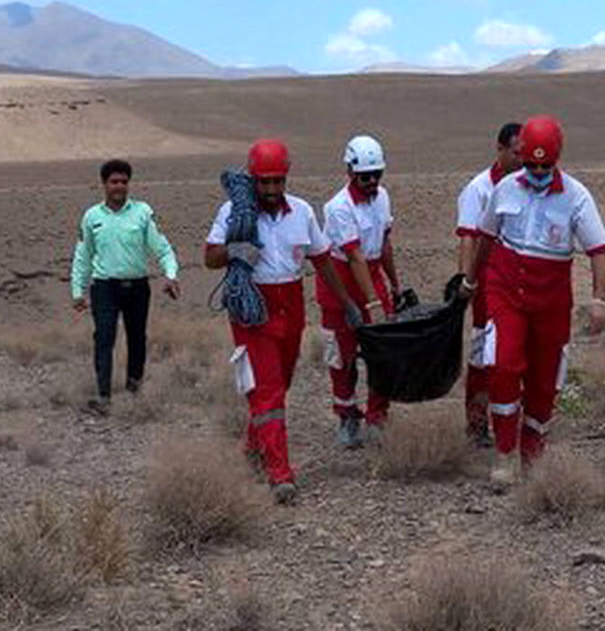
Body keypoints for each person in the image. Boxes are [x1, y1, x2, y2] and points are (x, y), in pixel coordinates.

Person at [460, 115, 605, 487]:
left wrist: (600, 300)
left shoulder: (576, 196)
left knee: (545, 378)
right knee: (504, 365)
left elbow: (599, 249)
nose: (539, 172)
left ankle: (533, 452)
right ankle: (505, 453)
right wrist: (470, 279)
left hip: (551, 299)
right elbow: (485, 236)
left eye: (546, 165)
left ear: (557, 159)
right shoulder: (506, 188)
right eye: (532, 164)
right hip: (506, 290)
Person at [205, 139, 359, 505]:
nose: (271, 190)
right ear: (253, 179)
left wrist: (347, 302)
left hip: (291, 305)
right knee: (269, 391)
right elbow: (210, 257)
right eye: (264, 182)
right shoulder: (233, 212)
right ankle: (280, 473)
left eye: (278, 181)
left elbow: (322, 259)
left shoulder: (302, 212)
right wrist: (233, 250)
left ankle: (253, 447)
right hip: (253, 309)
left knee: (278, 384)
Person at [71, 159, 180, 416]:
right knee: (104, 338)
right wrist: (78, 290)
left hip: (137, 287)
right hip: (104, 287)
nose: (119, 186)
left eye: (123, 181)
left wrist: (171, 274)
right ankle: (103, 397)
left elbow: (161, 247)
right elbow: (83, 255)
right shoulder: (92, 217)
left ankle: (134, 388)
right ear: (104, 184)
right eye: (114, 182)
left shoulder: (142, 212)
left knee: (137, 338)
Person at [316, 134, 404, 448]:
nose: (372, 182)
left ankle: (378, 415)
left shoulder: (383, 198)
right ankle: (347, 415)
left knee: (383, 353)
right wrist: (371, 303)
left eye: (377, 175)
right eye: (366, 176)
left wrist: (394, 286)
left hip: (373, 274)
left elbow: (384, 243)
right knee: (342, 357)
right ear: (350, 172)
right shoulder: (337, 208)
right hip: (340, 283)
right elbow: (353, 256)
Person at [456, 122, 523, 448]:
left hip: (519, 279)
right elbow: (468, 237)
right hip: (486, 280)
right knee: (483, 352)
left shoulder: (528, 185)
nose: (522, 158)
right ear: (499, 150)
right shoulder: (479, 188)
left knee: (513, 353)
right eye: (516, 152)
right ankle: (477, 423)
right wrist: (466, 282)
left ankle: (511, 419)